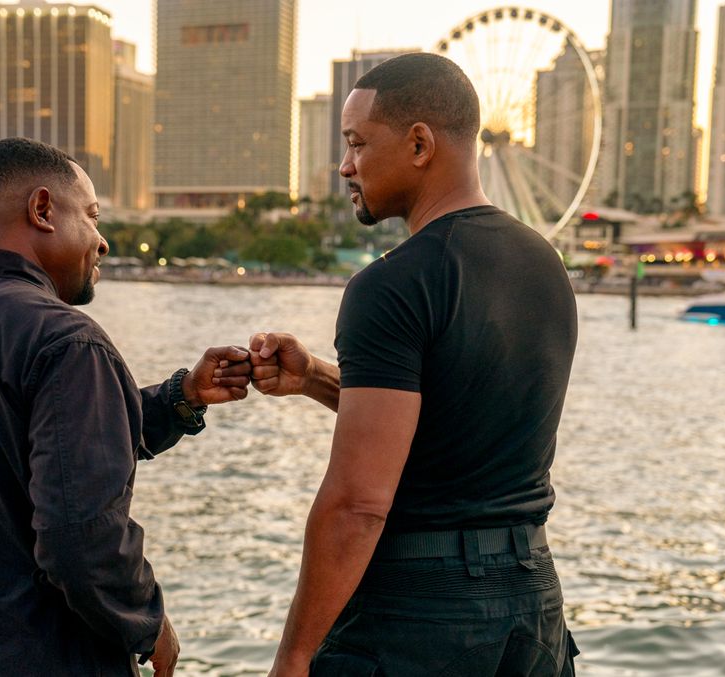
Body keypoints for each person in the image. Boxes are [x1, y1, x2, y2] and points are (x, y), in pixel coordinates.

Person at [249, 53, 581, 676]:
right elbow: (452, 417)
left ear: (420, 144)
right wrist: (317, 377)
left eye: (356, 144)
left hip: (423, 613)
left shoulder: (393, 284)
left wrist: (293, 659)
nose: (344, 166)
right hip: (532, 603)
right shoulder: (545, 266)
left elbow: (357, 504)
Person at [0, 137, 252, 676]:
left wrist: (183, 396)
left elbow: (17, 448)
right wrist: (148, 622)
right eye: (92, 215)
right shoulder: (67, 340)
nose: (102, 242)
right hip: (39, 653)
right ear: (42, 210)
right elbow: (80, 539)